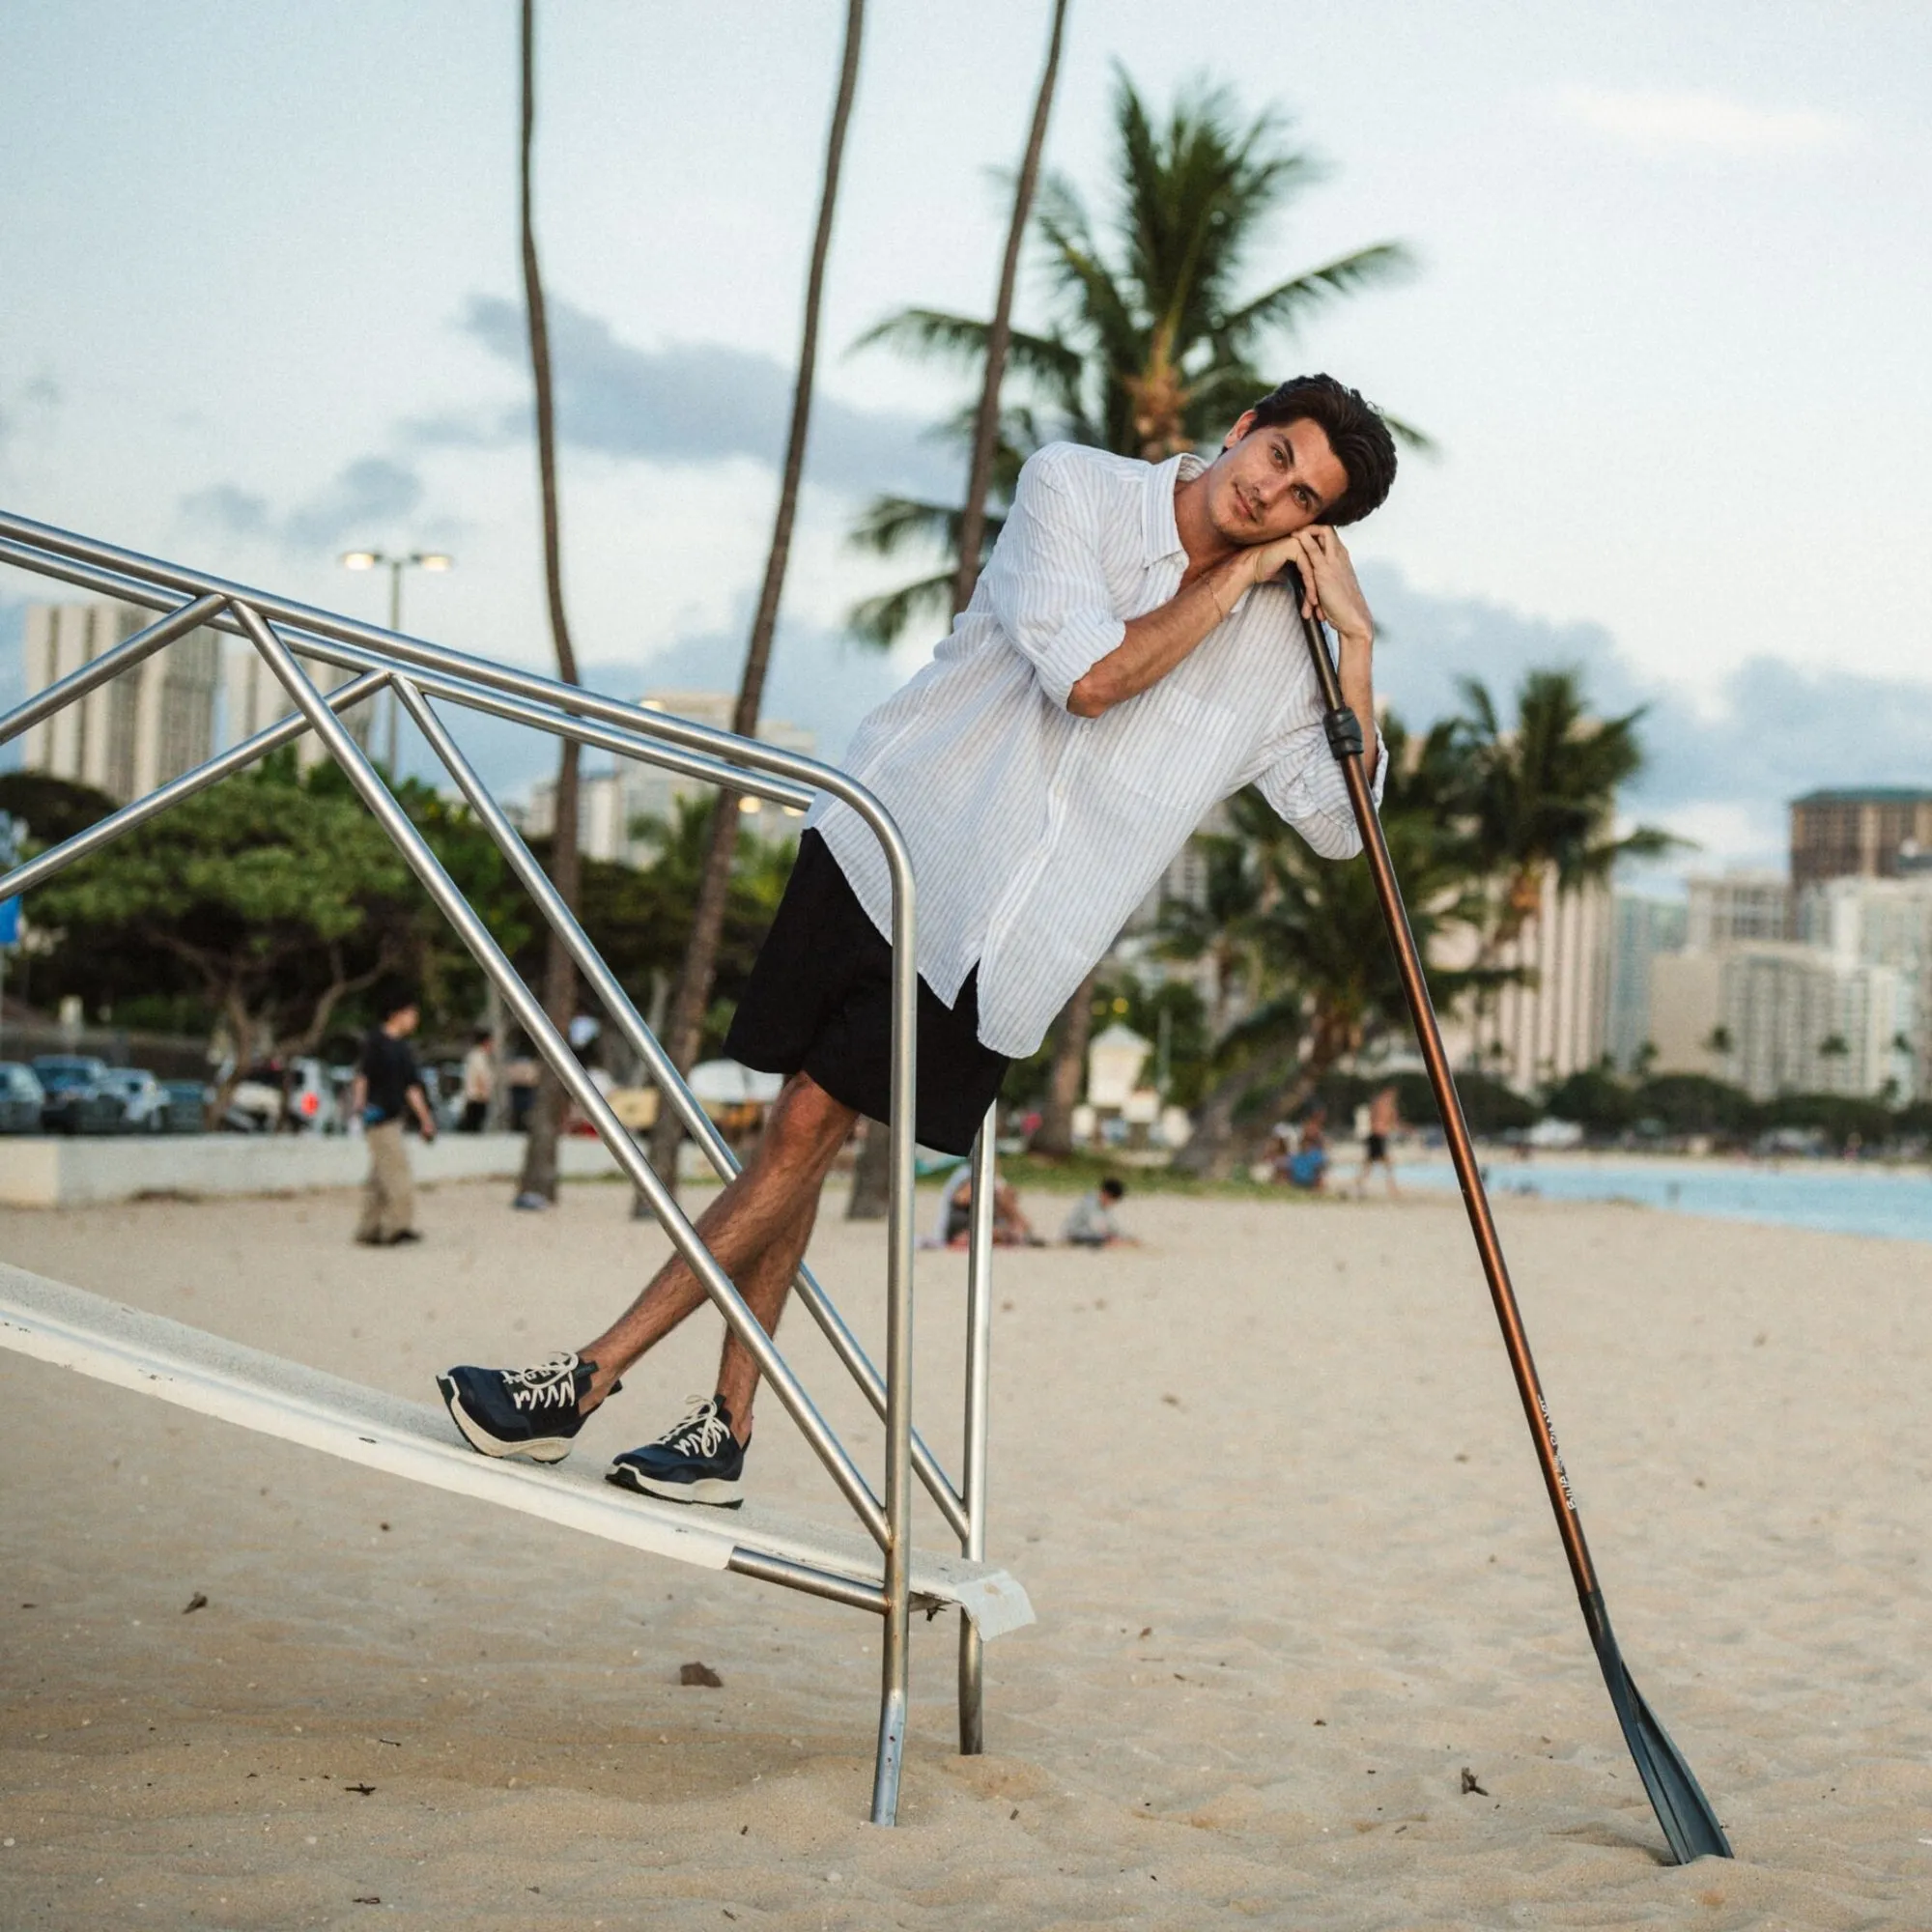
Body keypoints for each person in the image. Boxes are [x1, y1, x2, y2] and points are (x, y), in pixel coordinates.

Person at [440, 373, 1398, 1507]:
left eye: (1303, 499)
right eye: (1276, 456)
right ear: (1241, 429)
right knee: (802, 1128)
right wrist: (1236, 579)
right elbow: (1088, 679)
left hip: (1009, 942)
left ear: (1319, 529)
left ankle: (588, 1380)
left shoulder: (1284, 648)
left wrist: (1352, 648)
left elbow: (1341, 827)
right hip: (893, 839)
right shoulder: (1075, 489)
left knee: (806, 1126)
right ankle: (720, 1427)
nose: (1271, 493)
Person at [351, 988, 437, 1247]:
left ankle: (369, 1228)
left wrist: (425, 1119)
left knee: (380, 1177)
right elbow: (363, 1076)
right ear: (397, 1014)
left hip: (394, 1116)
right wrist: (359, 1107)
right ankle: (396, 1227)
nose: (414, 1020)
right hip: (378, 1117)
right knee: (397, 1173)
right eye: (411, 1014)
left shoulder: (403, 1049)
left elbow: (412, 1087)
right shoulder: (376, 1042)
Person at [1353, 1083, 1401, 1197]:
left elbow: (1386, 1121)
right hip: (1378, 1136)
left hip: (1376, 1136)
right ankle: (1392, 1188)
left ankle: (1359, 1182)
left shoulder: (1379, 1104)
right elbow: (1388, 1122)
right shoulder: (1383, 1105)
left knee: (1370, 1163)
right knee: (1384, 1163)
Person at [1064, 1176, 1135, 1248]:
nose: (1112, 1204)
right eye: (1113, 1201)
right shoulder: (1090, 1202)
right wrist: (1113, 1237)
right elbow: (1097, 1226)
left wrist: (1127, 1237)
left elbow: (1112, 1225)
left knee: (1113, 1237)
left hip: (1089, 1233)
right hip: (1075, 1233)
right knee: (1109, 1240)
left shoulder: (1101, 1204)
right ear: (1106, 1194)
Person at [458, 1027, 495, 1133]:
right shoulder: (478, 1056)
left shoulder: (476, 1055)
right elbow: (480, 1076)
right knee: (473, 1130)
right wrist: (483, 1093)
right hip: (477, 1099)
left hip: (476, 1098)